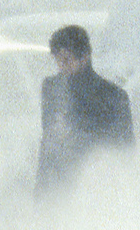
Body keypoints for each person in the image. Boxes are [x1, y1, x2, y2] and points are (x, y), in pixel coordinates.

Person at [37, 23, 133, 196]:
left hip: (98, 190)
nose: (60, 66)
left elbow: (125, 149)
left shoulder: (113, 96)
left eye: (66, 60)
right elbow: (47, 142)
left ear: (85, 57)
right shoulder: (51, 89)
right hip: (59, 189)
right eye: (57, 60)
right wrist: (41, 191)